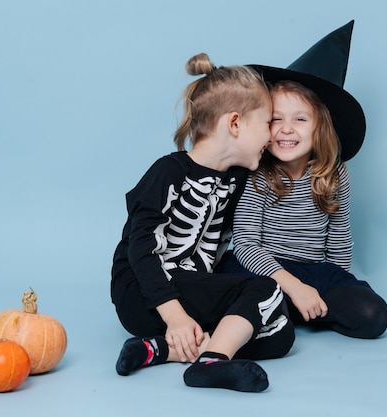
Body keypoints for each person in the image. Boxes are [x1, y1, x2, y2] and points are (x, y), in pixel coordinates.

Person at [110, 53, 295, 393]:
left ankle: (158, 350)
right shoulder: (168, 171)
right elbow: (140, 248)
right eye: (268, 122)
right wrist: (175, 316)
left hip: (189, 296)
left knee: (282, 334)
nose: (272, 135)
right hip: (143, 294)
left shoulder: (237, 179)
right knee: (265, 290)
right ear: (235, 124)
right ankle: (210, 363)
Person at [217, 21, 387, 339]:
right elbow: (245, 243)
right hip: (258, 264)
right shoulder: (259, 173)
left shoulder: (334, 175)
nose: (286, 129)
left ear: (319, 127)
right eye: (276, 119)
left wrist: (331, 284)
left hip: (313, 269)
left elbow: (338, 241)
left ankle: (290, 310)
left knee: (373, 315)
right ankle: (281, 307)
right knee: (248, 292)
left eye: (299, 119)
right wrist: (293, 286)